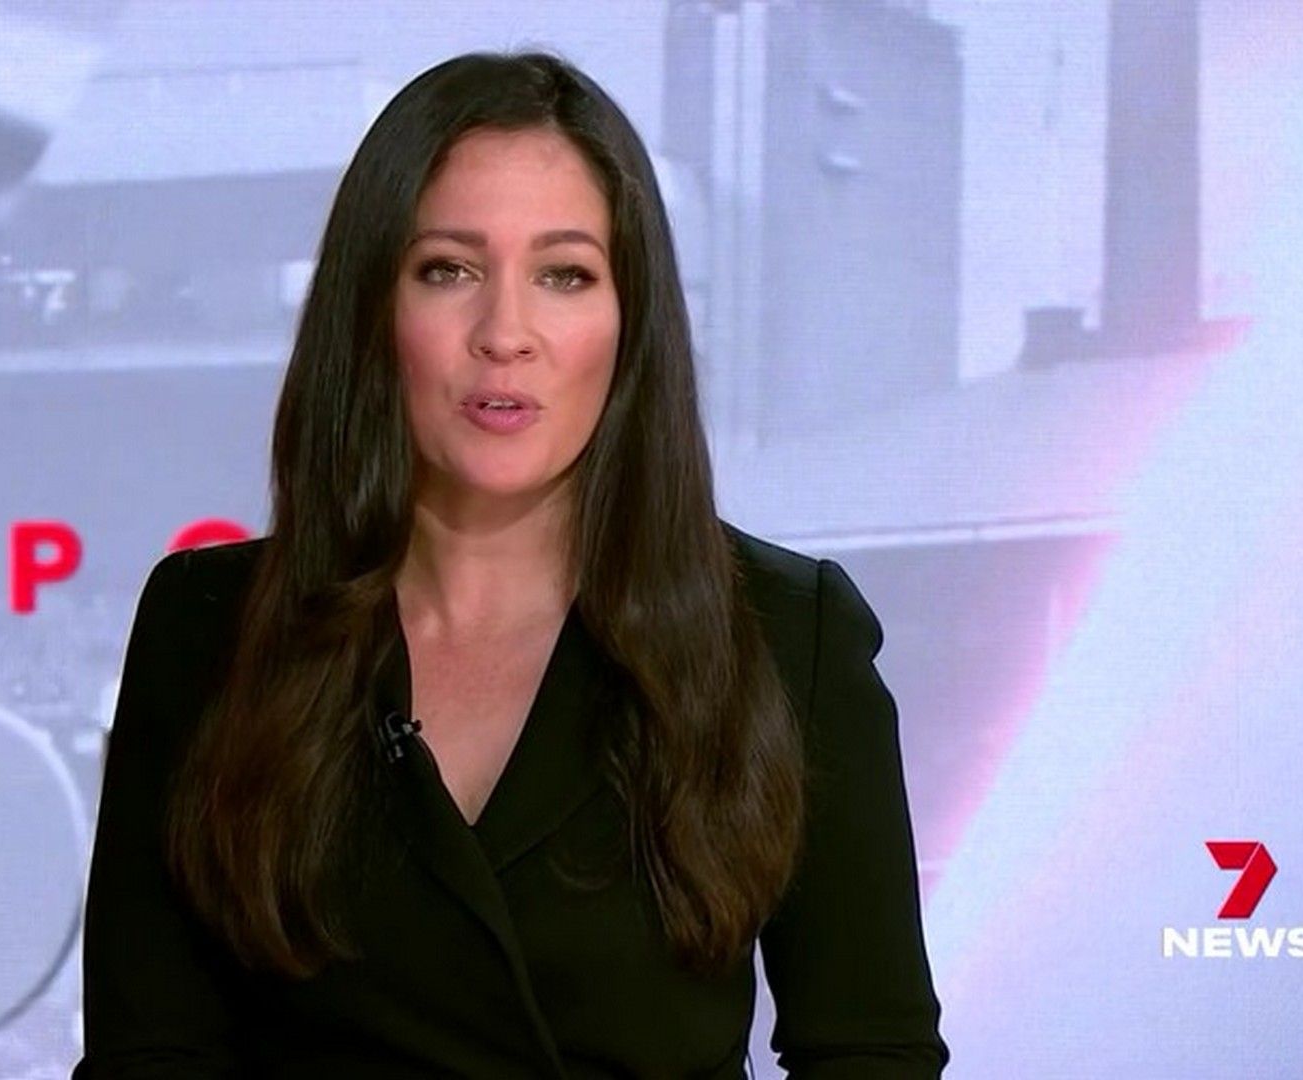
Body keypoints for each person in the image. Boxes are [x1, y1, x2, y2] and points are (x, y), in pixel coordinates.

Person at [73, 50, 948, 1078]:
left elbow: (870, 1053)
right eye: (449, 269)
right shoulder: (208, 625)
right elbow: (150, 1054)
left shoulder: (787, 634)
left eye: (564, 275)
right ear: (373, 308)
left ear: (630, 321)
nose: (505, 334)